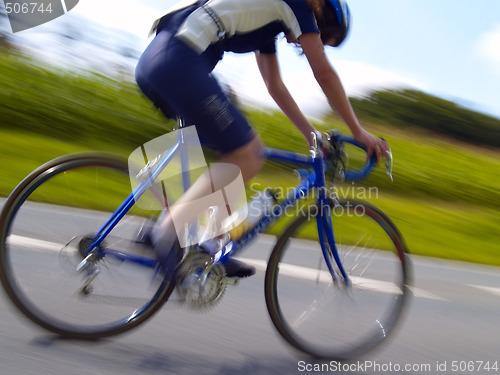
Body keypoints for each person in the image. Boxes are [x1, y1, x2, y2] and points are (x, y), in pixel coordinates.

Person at [135, 0, 389, 278]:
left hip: (163, 60)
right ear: (322, 17)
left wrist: (310, 133)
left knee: (238, 149)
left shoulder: (269, 20)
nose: (318, 46)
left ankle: (211, 245)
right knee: (249, 154)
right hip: (178, 62)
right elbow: (324, 74)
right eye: (324, 38)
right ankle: (166, 231)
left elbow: (274, 85)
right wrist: (358, 131)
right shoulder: (297, 5)